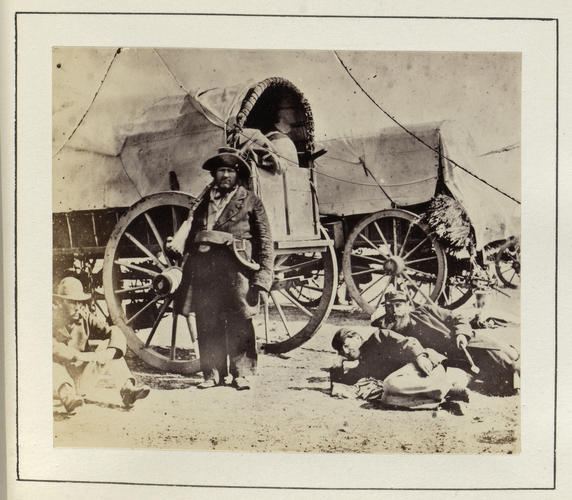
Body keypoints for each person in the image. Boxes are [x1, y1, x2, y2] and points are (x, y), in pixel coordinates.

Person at [173, 148, 274, 390]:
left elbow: (265, 240)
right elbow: (190, 238)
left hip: (237, 271)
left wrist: (263, 277)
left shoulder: (251, 201)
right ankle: (212, 374)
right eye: (220, 171)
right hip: (205, 270)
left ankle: (242, 374)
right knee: (208, 320)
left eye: (229, 171)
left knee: (240, 319)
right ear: (214, 175)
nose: (225, 175)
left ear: (237, 175)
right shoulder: (201, 204)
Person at [372, 290, 520, 395]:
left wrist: (461, 334)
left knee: (507, 366)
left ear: (407, 306)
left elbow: (457, 318)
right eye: (391, 307)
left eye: (399, 305)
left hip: (466, 345)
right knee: (488, 382)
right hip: (450, 363)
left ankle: (511, 355)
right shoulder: (394, 332)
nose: (396, 311)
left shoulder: (426, 312)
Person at [53, 277, 150, 413]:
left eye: (79, 301)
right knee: (52, 365)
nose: (77, 306)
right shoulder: (50, 320)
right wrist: (80, 356)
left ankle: (127, 390)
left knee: (108, 346)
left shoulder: (84, 317)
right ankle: (68, 397)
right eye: (71, 302)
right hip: (57, 385)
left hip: (81, 380)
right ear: (60, 302)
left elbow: (113, 331)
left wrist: (110, 352)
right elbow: (52, 348)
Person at [329, 327, 471, 414]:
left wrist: (420, 356)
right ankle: (447, 400)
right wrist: (338, 363)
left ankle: (447, 386)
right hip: (415, 381)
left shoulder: (379, 337)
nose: (346, 351)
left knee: (389, 384)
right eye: (341, 350)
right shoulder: (362, 365)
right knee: (387, 399)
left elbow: (408, 341)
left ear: (357, 337)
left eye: (346, 344)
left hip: (424, 366)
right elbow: (342, 384)